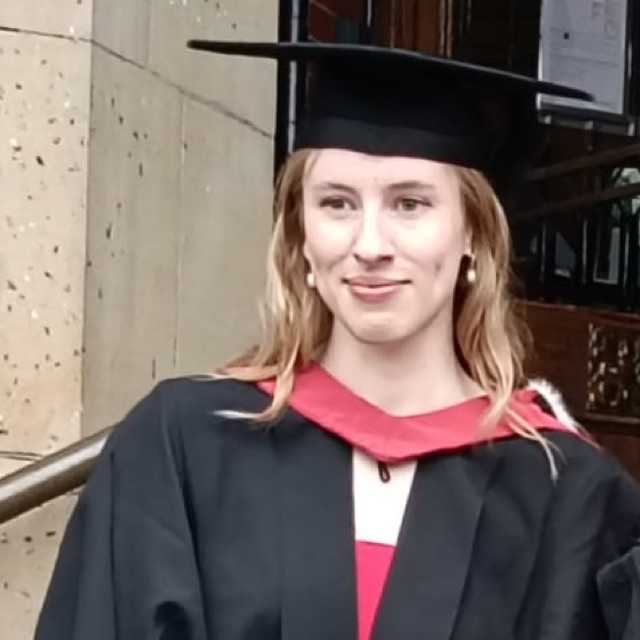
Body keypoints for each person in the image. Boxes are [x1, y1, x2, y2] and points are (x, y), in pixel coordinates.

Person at [35, 41, 640, 640]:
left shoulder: (570, 497)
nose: (369, 245)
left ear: (472, 236)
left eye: (410, 203)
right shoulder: (180, 447)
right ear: (300, 235)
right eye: (337, 203)